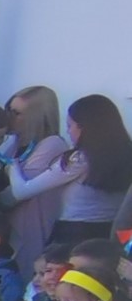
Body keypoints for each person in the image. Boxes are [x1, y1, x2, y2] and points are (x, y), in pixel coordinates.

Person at [0, 86, 73, 270]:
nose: (8, 118)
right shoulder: (15, 143)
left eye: (16, 113)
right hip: (8, 226)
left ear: (36, 116)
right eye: (8, 110)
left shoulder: (51, 145)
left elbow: (18, 192)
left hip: (29, 228)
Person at [46, 95, 132, 247]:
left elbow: (24, 190)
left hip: (73, 233)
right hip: (111, 234)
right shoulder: (126, 156)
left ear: (83, 127)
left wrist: (12, 166)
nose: (68, 131)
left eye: (69, 125)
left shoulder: (80, 159)